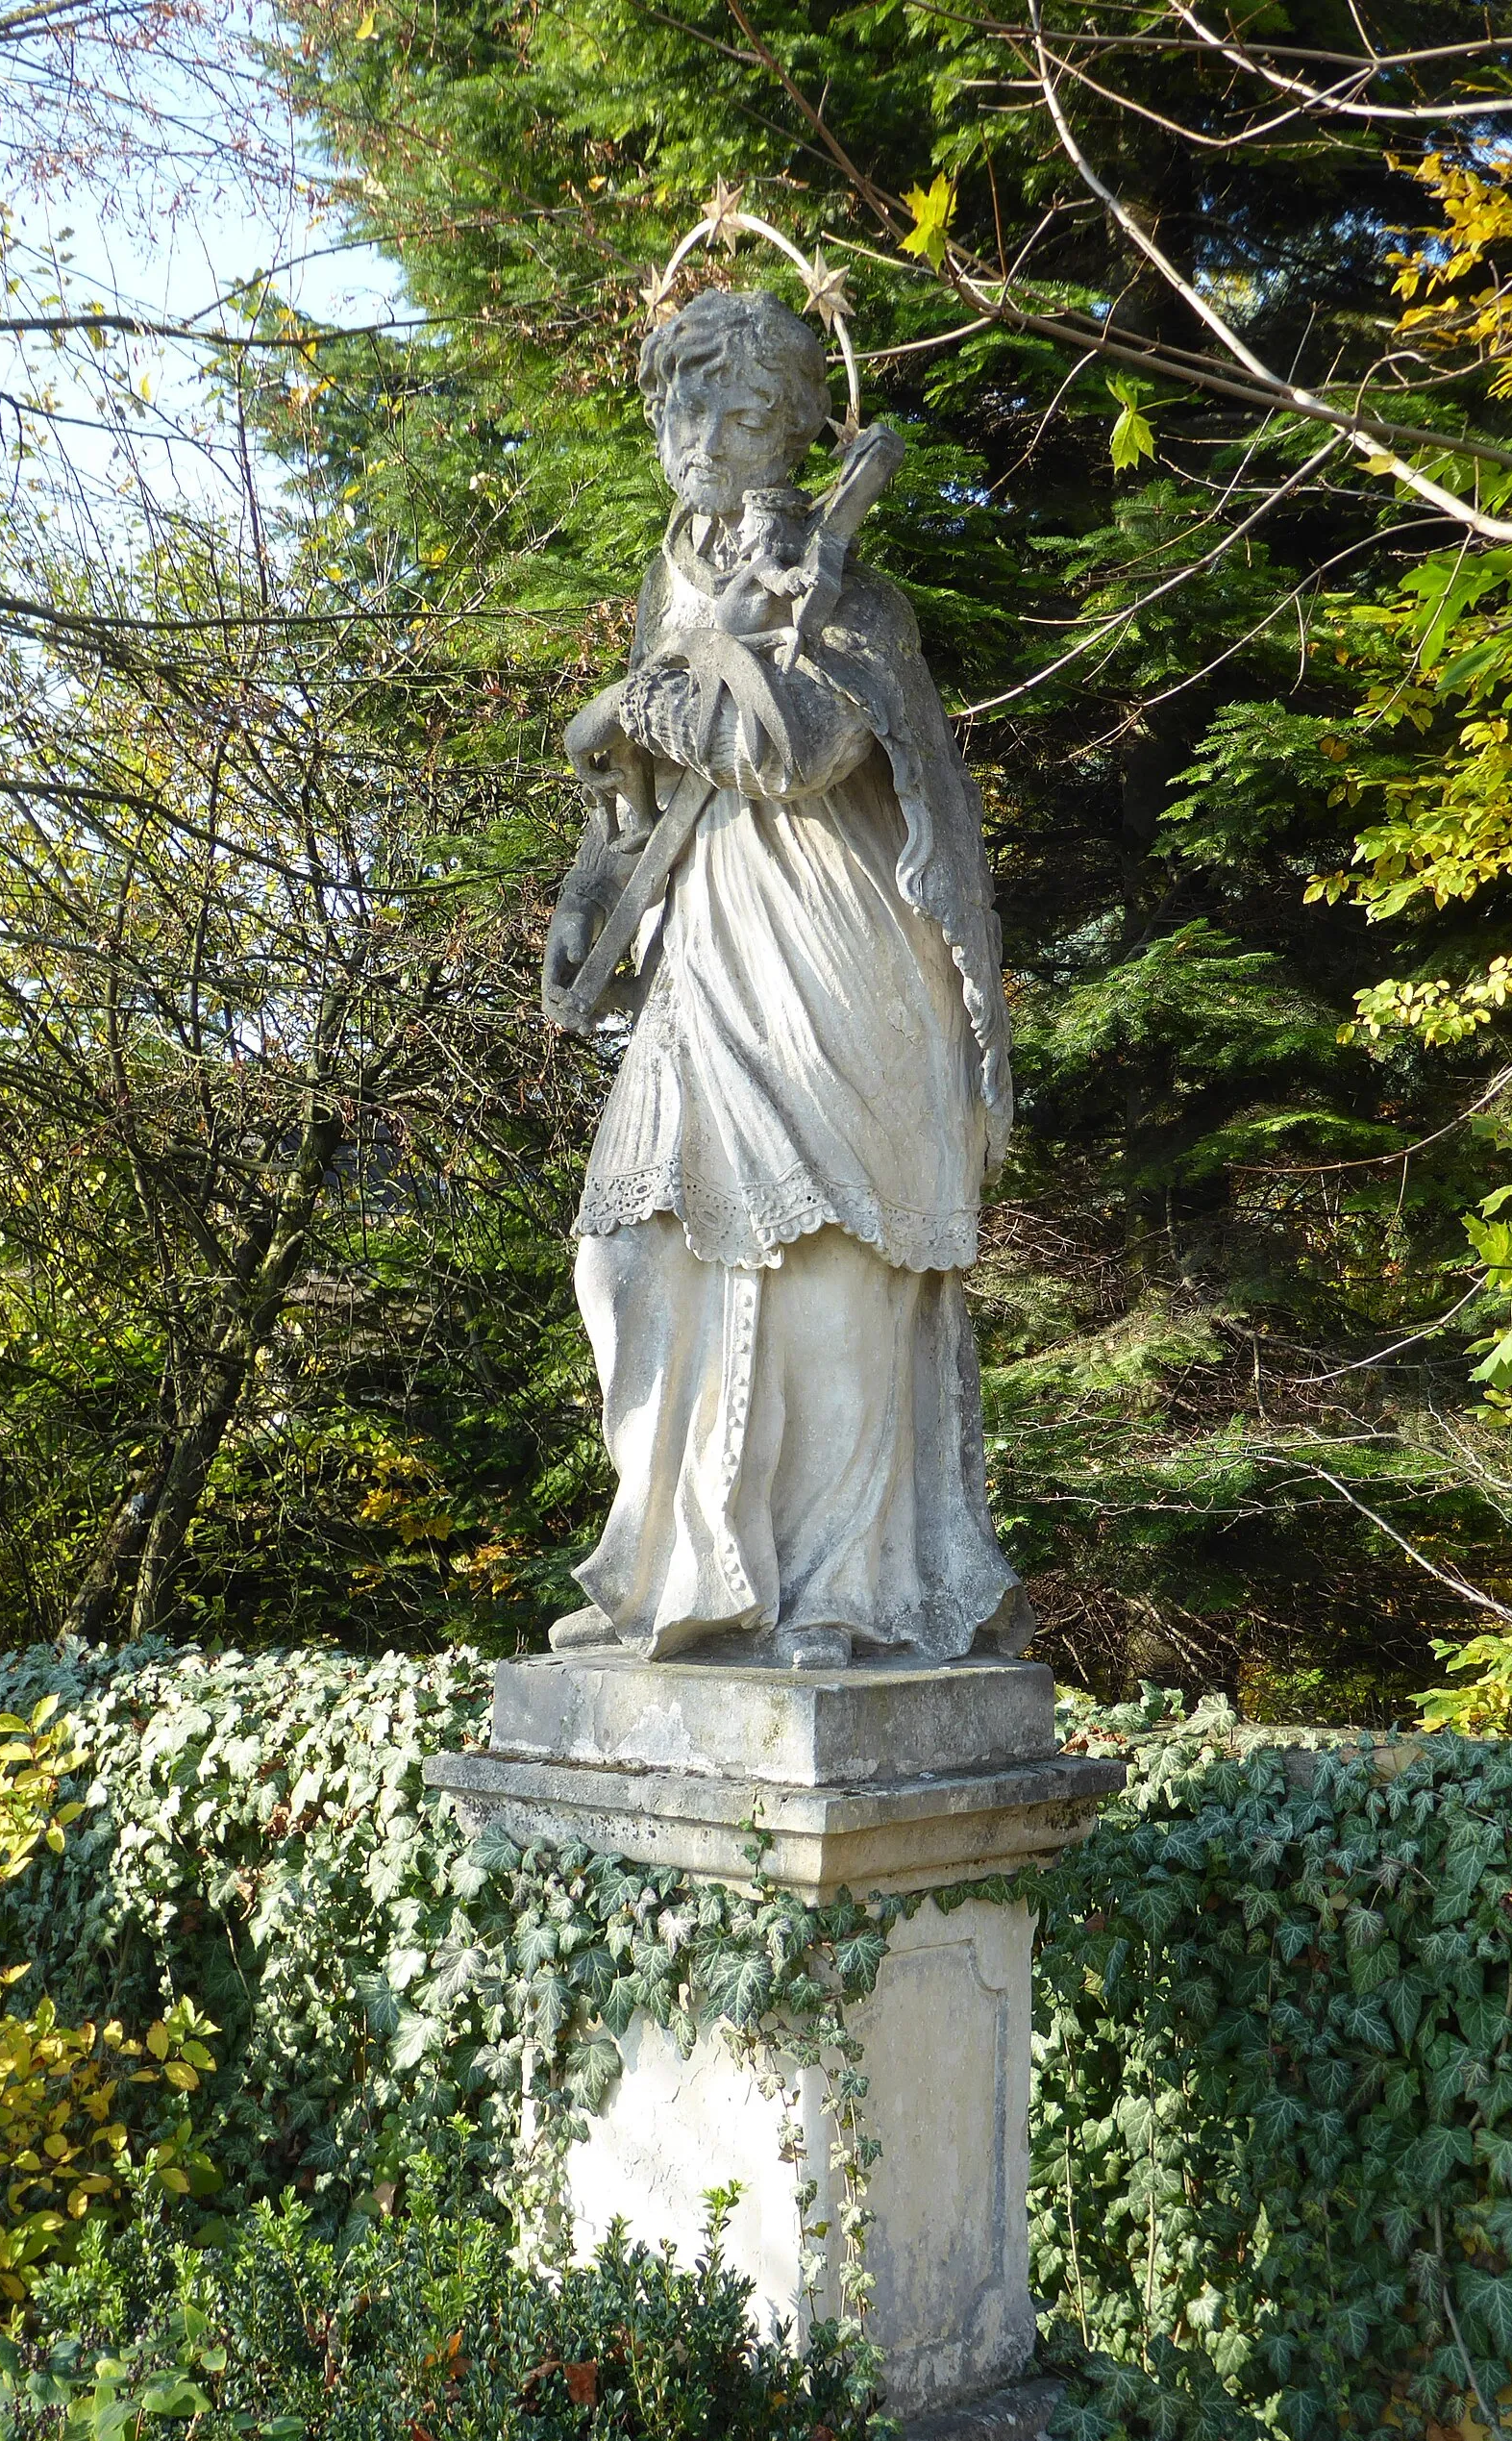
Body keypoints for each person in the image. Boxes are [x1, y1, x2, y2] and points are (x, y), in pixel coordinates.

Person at [543, 287, 1031, 1670]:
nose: (699, 437)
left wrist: (641, 702)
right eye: (678, 405)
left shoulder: (852, 587)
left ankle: (839, 1595)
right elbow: (642, 790)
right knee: (629, 1247)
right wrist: (588, 901)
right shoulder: (680, 580)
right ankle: (669, 1568)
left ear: (794, 422)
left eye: (737, 410)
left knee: (824, 1262)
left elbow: (793, 747)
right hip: (706, 948)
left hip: (835, 943)